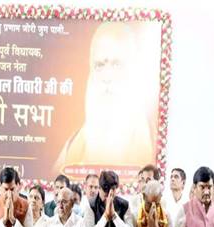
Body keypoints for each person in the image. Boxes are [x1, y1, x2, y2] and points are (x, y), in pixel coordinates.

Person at [56, 22, 155, 174]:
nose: (107, 77)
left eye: (117, 65)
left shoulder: (152, 139)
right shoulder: (74, 145)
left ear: (134, 69)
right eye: (99, 66)